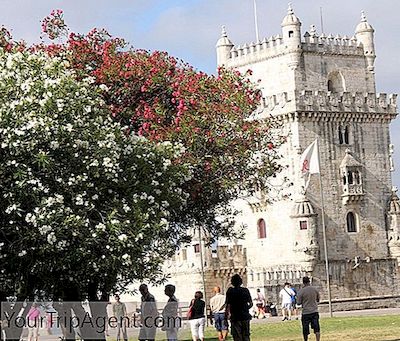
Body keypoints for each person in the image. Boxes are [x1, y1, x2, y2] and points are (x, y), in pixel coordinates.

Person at [225, 274, 252, 341]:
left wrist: (226, 315)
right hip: (245, 315)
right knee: (246, 335)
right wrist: (245, 308)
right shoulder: (245, 290)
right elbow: (251, 303)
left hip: (235, 316)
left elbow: (228, 304)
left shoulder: (230, 291)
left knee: (237, 336)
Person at [296, 276, 320, 341]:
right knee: (316, 327)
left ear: (303, 282)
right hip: (314, 311)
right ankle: (318, 339)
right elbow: (318, 299)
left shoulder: (301, 291)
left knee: (305, 328)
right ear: (309, 281)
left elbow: (298, 303)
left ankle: (306, 339)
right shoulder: (315, 289)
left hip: (306, 312)